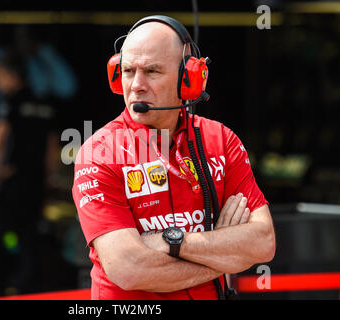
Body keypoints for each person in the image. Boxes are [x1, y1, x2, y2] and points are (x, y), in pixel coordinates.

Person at [72, 16, 276, 300]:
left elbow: (263, 242)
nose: (136, 86)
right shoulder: (99, 153)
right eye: (128, 71)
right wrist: (224, 254)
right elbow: (129, 269)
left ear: (188, 79)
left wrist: (171, 241)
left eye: (152, 71)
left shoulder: (221, 140)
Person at [0, 49, 59, 297]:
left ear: (11, 75)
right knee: (28, 235)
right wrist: (49, 178)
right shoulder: (44, 105)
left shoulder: (10, 101)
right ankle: (23, 286)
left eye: (0, 76)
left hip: (11, 180)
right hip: (35, 181)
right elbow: (52, 146)